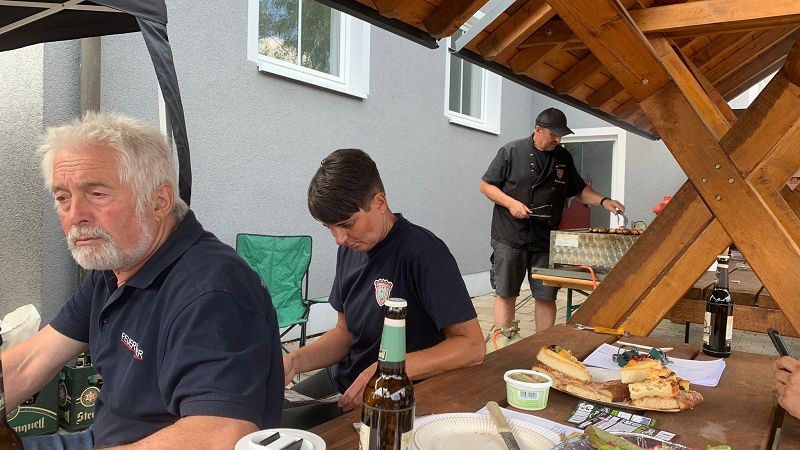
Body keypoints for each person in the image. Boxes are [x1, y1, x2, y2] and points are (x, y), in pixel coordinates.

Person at [2, 113, 283, 449]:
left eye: (97, 194)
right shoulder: (115, 267)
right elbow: (29, 362)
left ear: (159, 201)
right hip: (102, 438)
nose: (75, 215)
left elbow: (220, 434)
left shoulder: (211, 291)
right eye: (63, 197)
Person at [282, 148, 485, 429]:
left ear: (379, 202)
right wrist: (295, 361)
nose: (339, 238)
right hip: (344, 380)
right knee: (266, 416)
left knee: (291, 437)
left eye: (346, 224)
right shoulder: (349, 249)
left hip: (395, 395)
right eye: (329, 227)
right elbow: (344, 333)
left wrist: (389, 372)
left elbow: (472, 347)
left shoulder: (423, 252)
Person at [479, 107, 625, 334]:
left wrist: (604, 201)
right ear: (538, 130)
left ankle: (542, 344)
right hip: (510, 235)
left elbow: (579, 190)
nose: (558, 139)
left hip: (546, 239)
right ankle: (504, 344)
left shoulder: (563, 157)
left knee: (546, 295)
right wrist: (511, 204)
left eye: (560, 135)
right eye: (553, 134)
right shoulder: (511, 151)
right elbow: (486, 185)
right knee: (506, 293)